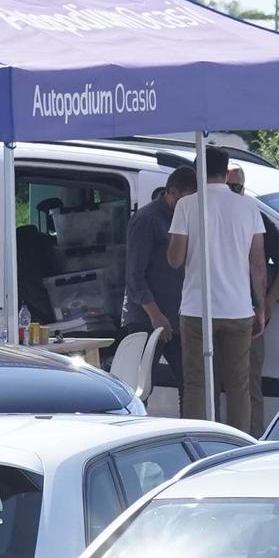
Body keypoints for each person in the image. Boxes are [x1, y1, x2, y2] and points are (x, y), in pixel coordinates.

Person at [167, 147, 266, 432]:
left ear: (198, 171)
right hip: (238, 308)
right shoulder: (248, 207)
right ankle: (238, 443)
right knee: (239, 385)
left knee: (197, 383)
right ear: (226, 173)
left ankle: (199, 444)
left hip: (197, 308)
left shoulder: (187, 206)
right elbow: (257, 263)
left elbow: (174, 260)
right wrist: (259, 306)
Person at [122, 165, 196, 391]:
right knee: (140, 388)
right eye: (187, 199)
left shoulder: (187, 217)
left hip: (179, 316)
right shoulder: (146, 220)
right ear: (172, 192)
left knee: (191, 385)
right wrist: (156, 315)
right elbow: (135, 275)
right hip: (147, 319)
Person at [247, 216, 279, 431]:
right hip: (209, 315)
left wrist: (267, 302)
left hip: (248, 318)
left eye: (237, 186)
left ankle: (249, 442)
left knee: (249, 387)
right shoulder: (199, 207)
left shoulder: (252, 213)